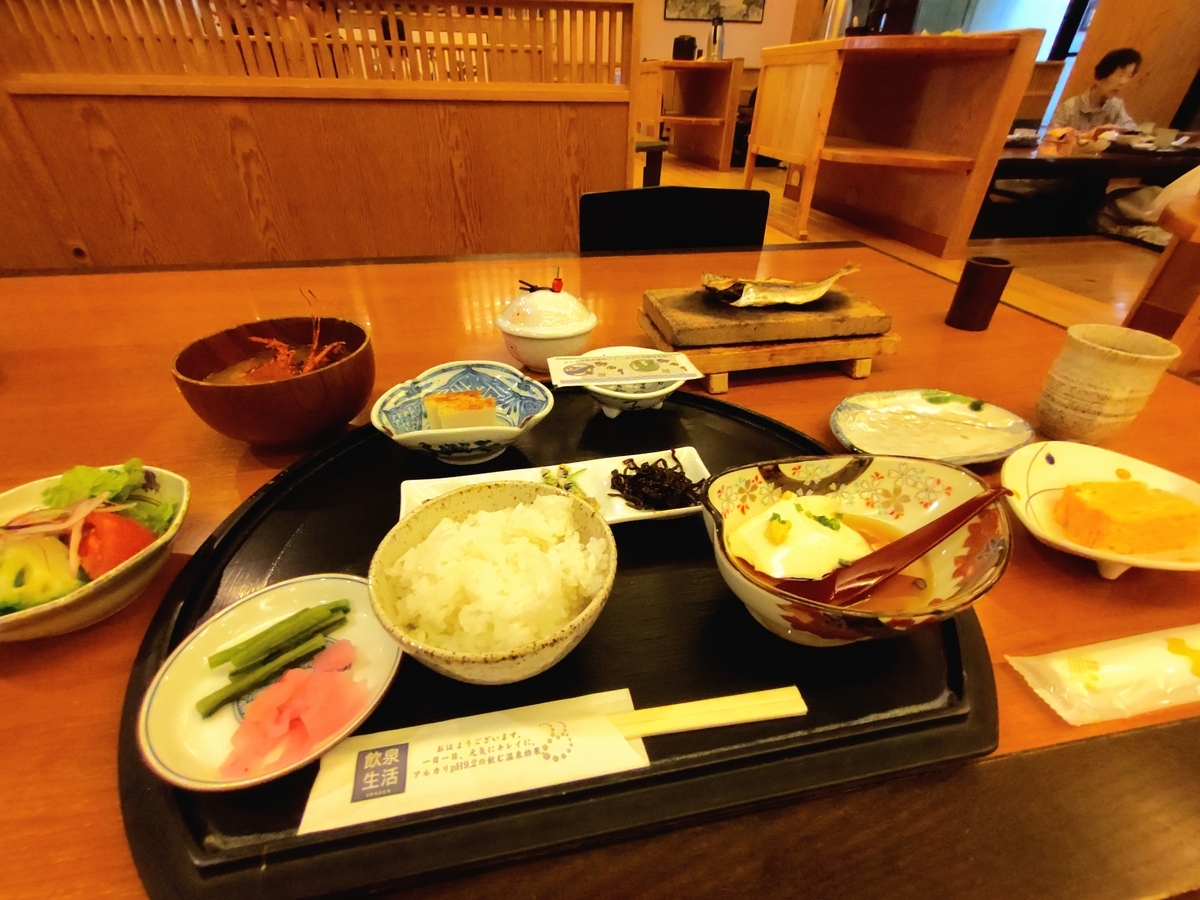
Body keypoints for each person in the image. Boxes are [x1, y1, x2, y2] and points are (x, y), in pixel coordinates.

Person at [1050, 47, 1142, 134]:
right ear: (1100, 77)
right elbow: (1051, 137)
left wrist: (1117, 130)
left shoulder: (1116, 106)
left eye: (1128, 76)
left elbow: (1132, 130)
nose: (1123, 82)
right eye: (1120, 75)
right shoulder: (1070, 107)